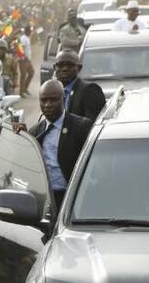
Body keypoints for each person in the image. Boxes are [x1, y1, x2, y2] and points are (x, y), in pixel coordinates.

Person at [13, 79, 92, 209]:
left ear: (64, 99)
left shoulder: (81, 127)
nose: (48, 105)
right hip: (44, 200)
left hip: (73, 199)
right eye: (43, 100)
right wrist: (23, 140)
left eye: (53, 100)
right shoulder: (35, 132)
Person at [52, 50, 107, 124]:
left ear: (79, 68)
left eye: (70, 65)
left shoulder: (90, 90)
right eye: (60, 65)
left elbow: (92, 124)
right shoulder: (51, 91)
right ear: (54, 68)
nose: (65, 69)